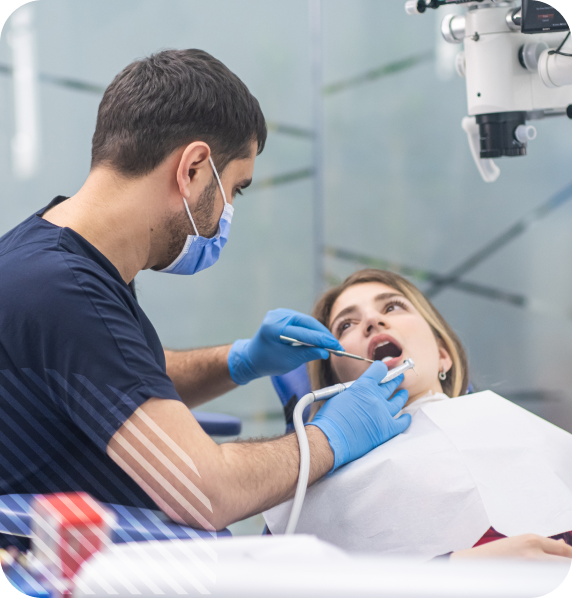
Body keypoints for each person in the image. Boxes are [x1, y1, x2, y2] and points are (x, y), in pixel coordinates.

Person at [0, 50, 411, 550]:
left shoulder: (54, 257)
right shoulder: (64, 290)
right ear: (193, 168)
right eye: (235, 188)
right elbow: (203, 492)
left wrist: (238, 361)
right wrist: (332, 436)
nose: (228, 212)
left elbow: (108, 374)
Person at [264, 269, 572, 562]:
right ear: (335, 383)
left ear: (443, 354)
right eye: (346, 325)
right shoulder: (308, 499)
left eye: (393, 306)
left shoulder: (522, 431)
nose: (372, 320)